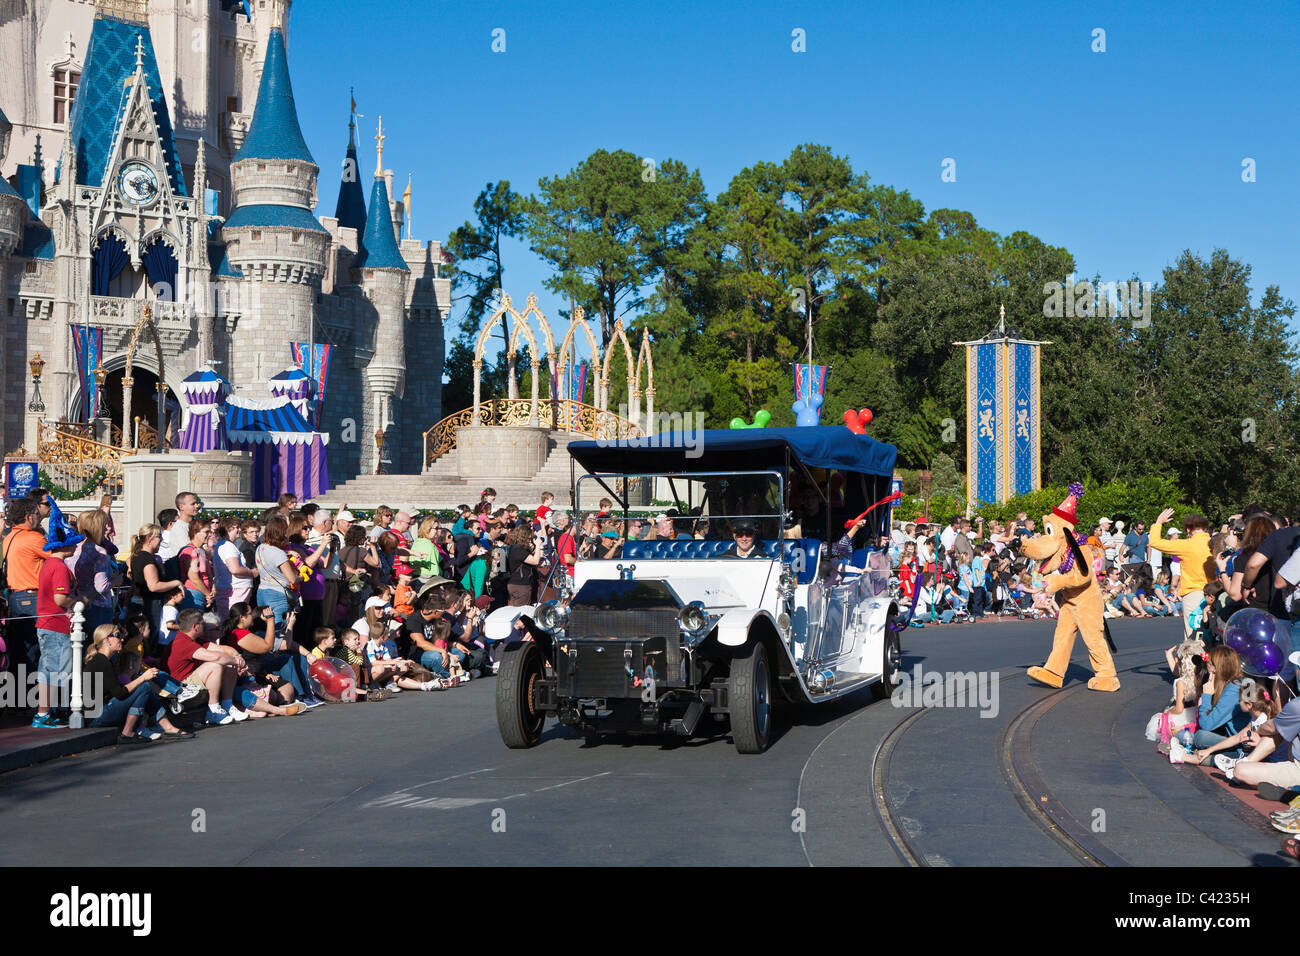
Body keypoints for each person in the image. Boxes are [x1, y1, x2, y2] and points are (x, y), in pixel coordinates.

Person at [83, 623, 194, 744]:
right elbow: (119, 693)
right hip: (97, 717)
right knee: (144, 686)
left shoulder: (102, 660)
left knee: (142, 686)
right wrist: (142, 678)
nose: (122, 638)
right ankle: (129, 732)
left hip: (99, 713)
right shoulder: (101, 662)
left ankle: (165, 727)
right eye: (118, 635)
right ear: (107, 639)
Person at [31, 503, 86, 728]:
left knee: (48, 669)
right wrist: (80, 602)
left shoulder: (49, 564)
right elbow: (60, 599)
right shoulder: (60, 567)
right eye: (72, 542)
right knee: (55, 671)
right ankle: (43, 714)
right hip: (54, 624)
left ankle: (46, 711)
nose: (75, 546)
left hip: (48, 624)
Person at [1151, 508, 1213, 638]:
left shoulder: (1186, 545)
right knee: (1212, 633)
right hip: (1216, 592)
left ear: (1188, 530)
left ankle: (1192, 658)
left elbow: (1154, 542)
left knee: (1193, 635)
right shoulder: (1216, 543)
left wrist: (1158, 522)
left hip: (1194, 594)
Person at [2, 497, 46, 675]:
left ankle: (19, 694)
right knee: (33, 649)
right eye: (37, 514)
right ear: (28, 517)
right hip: (31, 597)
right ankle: (29, 694)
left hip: (15, 597)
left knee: (21, 649)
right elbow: (59, 556)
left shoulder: (10, 535)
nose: (39, 517)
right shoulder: (33, 538)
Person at [1188, 645, 1248, 762]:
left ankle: (1211, 759)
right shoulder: (1244, 681)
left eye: (1209, 665)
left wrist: (1206, 696)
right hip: (1246, 739)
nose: (1208, 669)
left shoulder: (1233, 690)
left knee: (1200, 737)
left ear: (1216, 668)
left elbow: (1206, 725)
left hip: (1242, 746)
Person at [126, 523, 183, 633]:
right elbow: (153, 586)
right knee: (150, 636)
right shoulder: (147, 559)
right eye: (159, 536)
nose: (161, 540)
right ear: (149, 538)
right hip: (149, 604)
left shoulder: (137, 556)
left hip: (140, 601)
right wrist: (176, 583)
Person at [68, 509, 116, 632]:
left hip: (76, 605)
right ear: (95, 527)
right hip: (98, 607)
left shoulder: (73, 549)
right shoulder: (99, 551)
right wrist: (116, 581)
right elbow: (101, 586)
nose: (107, 528)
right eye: (104, 525)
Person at [255, 516, 301, 631]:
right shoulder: (279, 554)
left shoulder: (260, 548)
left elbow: (271, 555)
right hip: (278, 594)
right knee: (279, 631)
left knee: (266, 630)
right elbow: (292, 579)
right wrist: (301, 577)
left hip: (262, 591)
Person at [213, 515, 256, 617]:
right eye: (236, 527)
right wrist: (252, 572)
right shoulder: (227, 546)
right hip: (235, 591)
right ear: (228, 529)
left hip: (234, 590)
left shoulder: (225, 545)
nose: (239, 529)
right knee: (234, 621)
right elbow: (235, 569)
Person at [178, 521, 215, 610]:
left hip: (204, 594)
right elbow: (194, 579)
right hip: (193, 595)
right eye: (206, 532)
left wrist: (213, 590)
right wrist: (208, 595)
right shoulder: (190, 551)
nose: (209, 534)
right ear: (195, 533)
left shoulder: (201, 550)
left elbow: (209, 575)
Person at [505, 525, 542, 606]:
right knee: (523, 613)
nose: (530, 541)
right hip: (521, 585)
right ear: (524, 537)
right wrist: (538, 545)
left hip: (516, 584)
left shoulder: (515, 548)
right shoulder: (518, 550)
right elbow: (535, 561)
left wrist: (534, 547)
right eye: (529, 538)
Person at [167, 492, 200, 558]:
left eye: (196, 503)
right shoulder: (179, 528)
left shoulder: (194, 525)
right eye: (193, 504)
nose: (197, 506)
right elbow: (190, 551)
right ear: (181, 507)